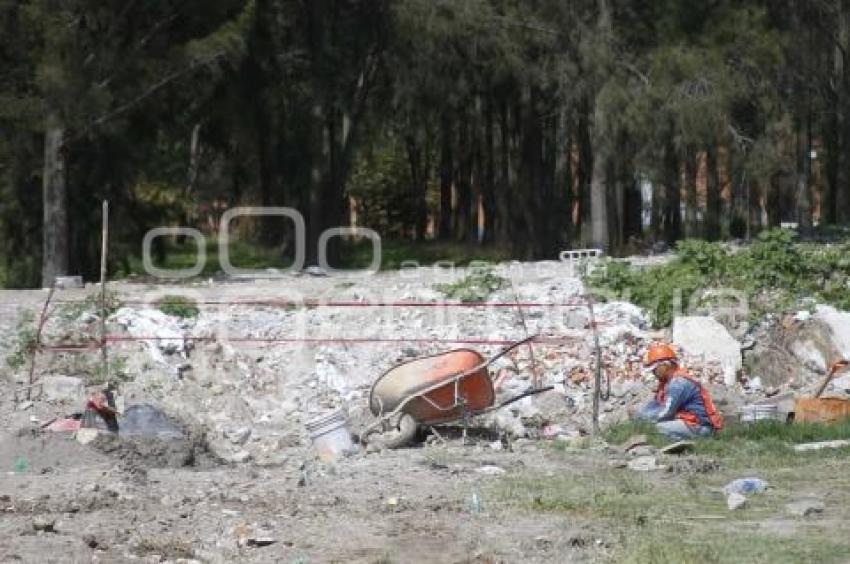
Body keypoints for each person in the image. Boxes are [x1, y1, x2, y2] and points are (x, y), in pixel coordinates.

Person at [635, 343, 723, 440]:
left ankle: (687, 442)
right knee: (651, 424)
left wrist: (643, 419)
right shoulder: (667, 383)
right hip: (688, 422)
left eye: (655, 369)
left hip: (701, 426)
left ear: (664, 366)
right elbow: (655, 404)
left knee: (656, 428)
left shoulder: (678, 383)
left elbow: (666, 413)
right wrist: (641, 415)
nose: (653, 373)